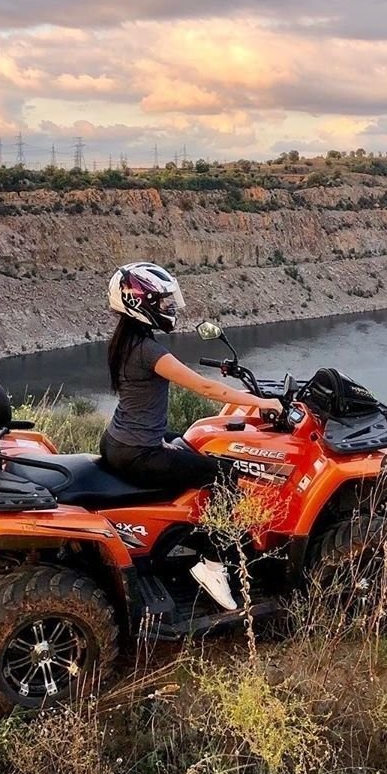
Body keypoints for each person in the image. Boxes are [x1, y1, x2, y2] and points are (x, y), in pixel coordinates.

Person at [100, 261, 282, 610]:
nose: (170, 308)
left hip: (116, 441)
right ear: (140, 304)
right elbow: (205, 387)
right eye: (163, 302)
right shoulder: (150, 351)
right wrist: (261, 403)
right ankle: (211, 564)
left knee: (189, 446)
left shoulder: (125, 341)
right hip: (138, 452)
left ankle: (186, 533)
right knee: (225, 475)